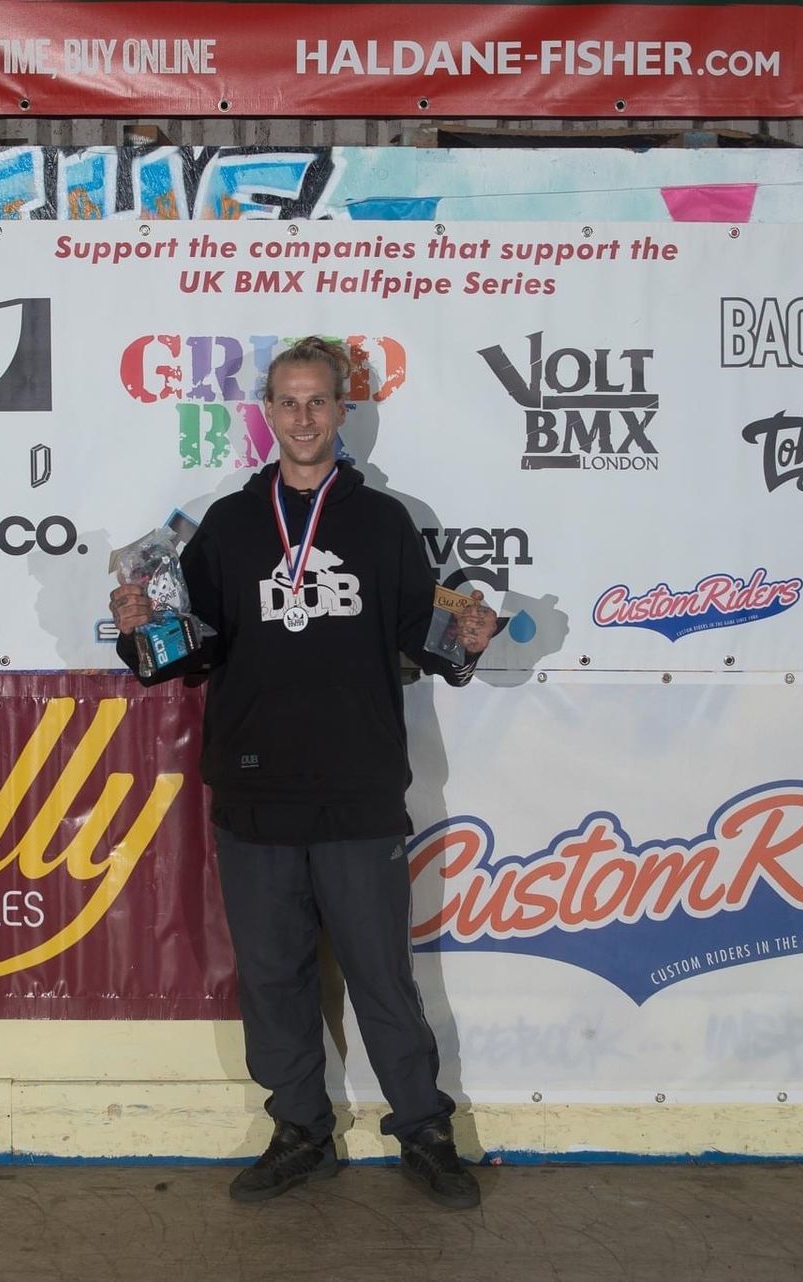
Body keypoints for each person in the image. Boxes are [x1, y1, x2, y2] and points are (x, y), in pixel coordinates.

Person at [109, 335, 499, 1209]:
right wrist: (140, 628)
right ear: (268, 413)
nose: (303, 417)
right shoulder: (230, 524)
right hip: (254, 787)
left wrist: (466, 640)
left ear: (342, 411)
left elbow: (425, 636)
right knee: (272, 973)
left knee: (381, 975)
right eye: (288, 401)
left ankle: (424, 1130)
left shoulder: (384, 522)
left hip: (359, 787)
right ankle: (299, 1131)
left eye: (318, 400)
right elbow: (184, 649)